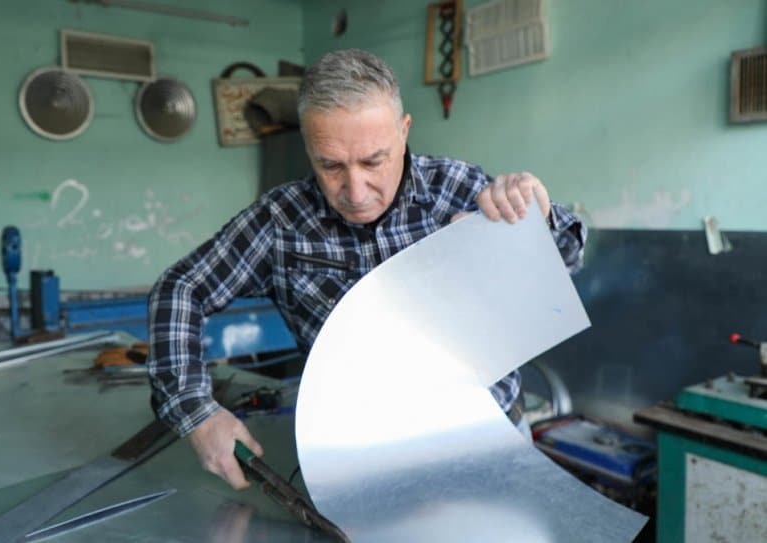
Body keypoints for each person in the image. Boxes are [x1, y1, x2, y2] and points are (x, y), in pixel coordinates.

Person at [148, 49, 586, 490]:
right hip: (363, 469)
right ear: (308, 144)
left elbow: (567, 260)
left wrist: (538, 220)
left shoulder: (458, 190)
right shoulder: (280, 222)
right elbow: (181, 287)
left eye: (374, 161)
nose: (355, 191)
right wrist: (197, 414)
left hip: (491, 449)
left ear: (404, 130)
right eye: (331, 165)